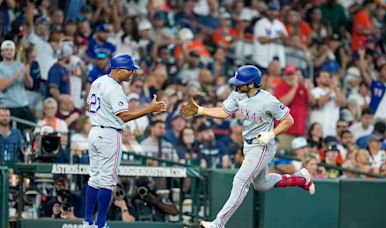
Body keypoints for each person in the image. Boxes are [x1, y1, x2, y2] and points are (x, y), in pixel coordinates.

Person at [179, 65, 315, 228]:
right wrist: (201, 110)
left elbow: (289, 120)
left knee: (240, 181)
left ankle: (218, 223)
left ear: (251, 84)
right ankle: (300, 178)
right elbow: (224, 112)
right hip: (248, 144)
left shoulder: (268, 100)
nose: (236, 85)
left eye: (240, 82)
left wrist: (271, 134)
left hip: (262, 145)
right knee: (261, 184)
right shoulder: (238, 94)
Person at [83, 54, 167, 228]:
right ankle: (100, 224)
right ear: (118, 69)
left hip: (94, 131)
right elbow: (124, 116)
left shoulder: (98, 81)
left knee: (94, 178)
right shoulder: (115, 88)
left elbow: (87, 106)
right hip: (109, 135)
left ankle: (88, 221)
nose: (132, 73)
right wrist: (149, 109)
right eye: (129, 69)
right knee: (107, 181)